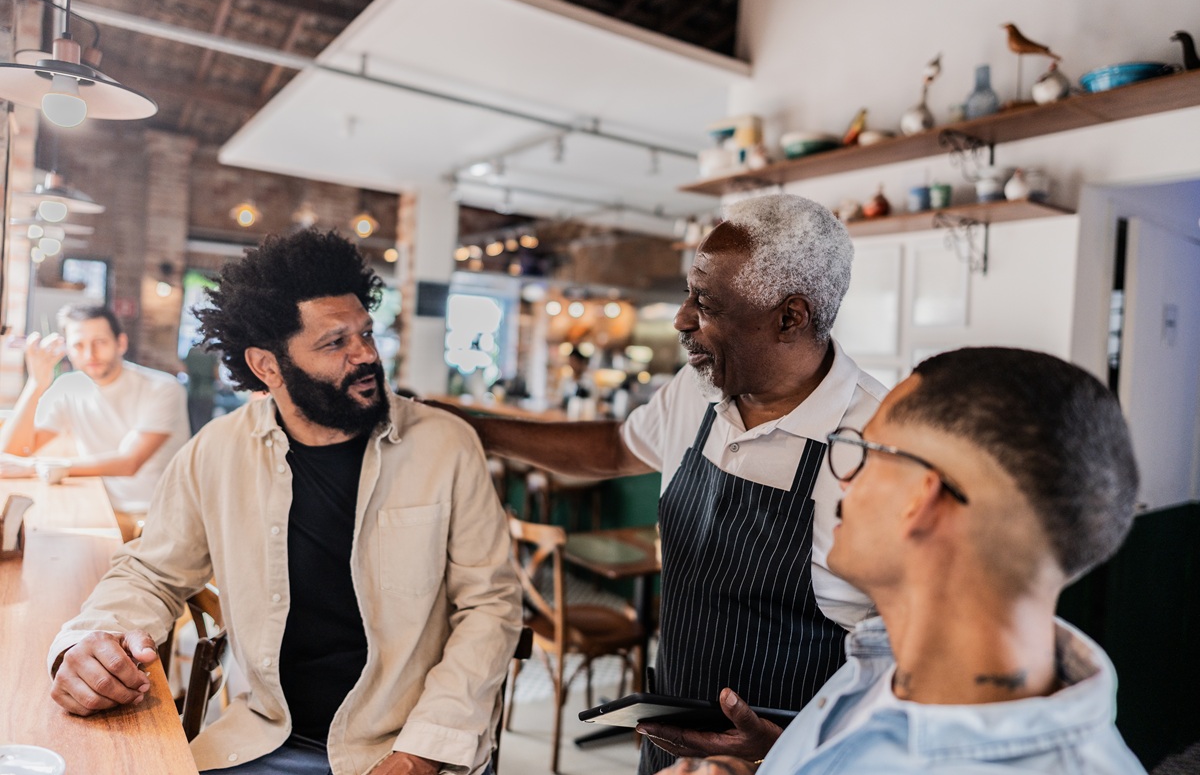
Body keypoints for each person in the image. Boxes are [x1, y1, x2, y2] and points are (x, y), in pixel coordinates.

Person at [435, 194, 887, 773]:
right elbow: (615, 446)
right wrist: (478, 432)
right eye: (686, 295)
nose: (681, 319)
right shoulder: (698, 388)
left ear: (789, 317)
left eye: (707, 303)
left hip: (795, 761)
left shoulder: (875, 445)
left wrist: (784, 747)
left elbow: (911, 664)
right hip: (672, 746)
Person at [46, 229, 522, 775]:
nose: (365, 354)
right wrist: (88, 644)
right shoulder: (217, 453)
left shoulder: (445, 444)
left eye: (365, 333)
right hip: (260, 740)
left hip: (405, 741)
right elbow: (151, 572)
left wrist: (421, 753)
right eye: (334, 342)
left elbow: (490, 607)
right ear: (267, 365)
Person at [657, 347, 1144, 775]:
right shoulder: (877, 667)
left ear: (920, 497)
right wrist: (770, 759)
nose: (845, 478)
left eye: (866, 452)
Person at [0, 304, 189, 542]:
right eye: (78, 345)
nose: (90, 354)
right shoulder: (69, 387)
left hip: (158, 516)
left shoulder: (163, 388)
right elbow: (10, 454)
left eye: (99, 342)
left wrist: (37, 466)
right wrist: (36, 383)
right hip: (105, 510)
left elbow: (129, 462)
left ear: (121, 343)